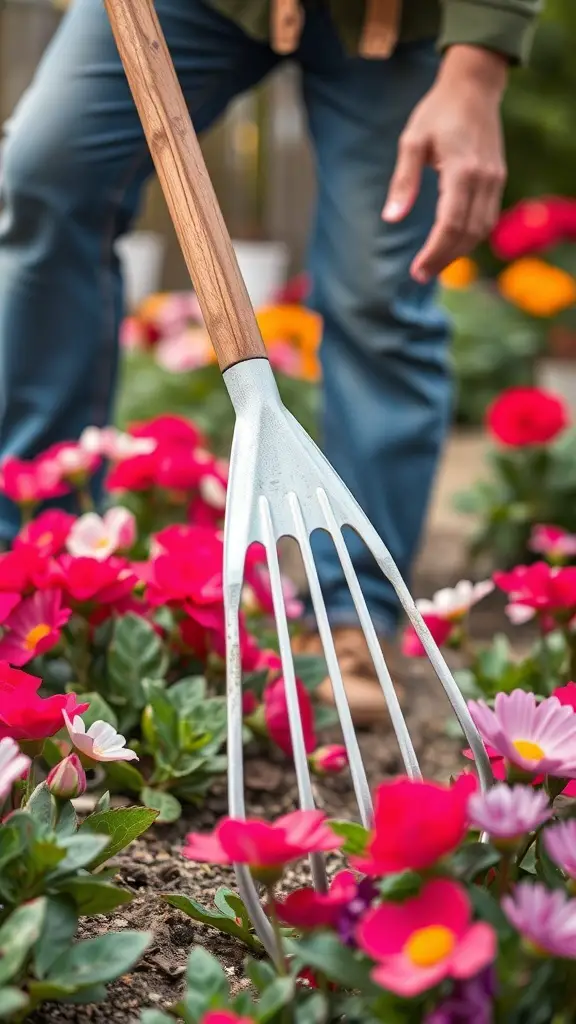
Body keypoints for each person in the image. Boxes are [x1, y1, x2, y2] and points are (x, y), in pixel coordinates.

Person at [0, 0, 539, 722]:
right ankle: (34, 563)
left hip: (397, 17)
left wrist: (476, 67)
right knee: (47, 174)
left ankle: (353, 619)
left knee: (379, 285)